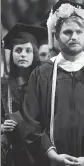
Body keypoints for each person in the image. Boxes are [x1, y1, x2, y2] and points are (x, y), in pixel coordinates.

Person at [22, 0, 84, 166]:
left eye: (79, 32)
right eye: (67, 32)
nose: (74, 37)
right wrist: (51, 153)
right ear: (56, 36)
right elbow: (31, 120)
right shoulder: (41, 74)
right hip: (53, 161)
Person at [1, 23, 46, 166]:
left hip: (40, 150)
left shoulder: (43, 84)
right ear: (11, 54)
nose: (23, 54)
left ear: (34, 54)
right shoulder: (3, 84)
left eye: (28, 51)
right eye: (18, 50)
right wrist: (1, 127)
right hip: (12, 152)